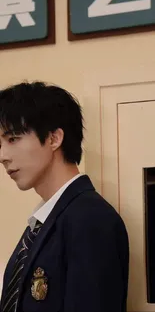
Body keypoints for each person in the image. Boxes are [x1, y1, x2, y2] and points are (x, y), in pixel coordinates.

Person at [0, 82, 129, 312]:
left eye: (12, 139)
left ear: (53, 139)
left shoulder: (90, 219)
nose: (3, 156)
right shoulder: (43, 223)